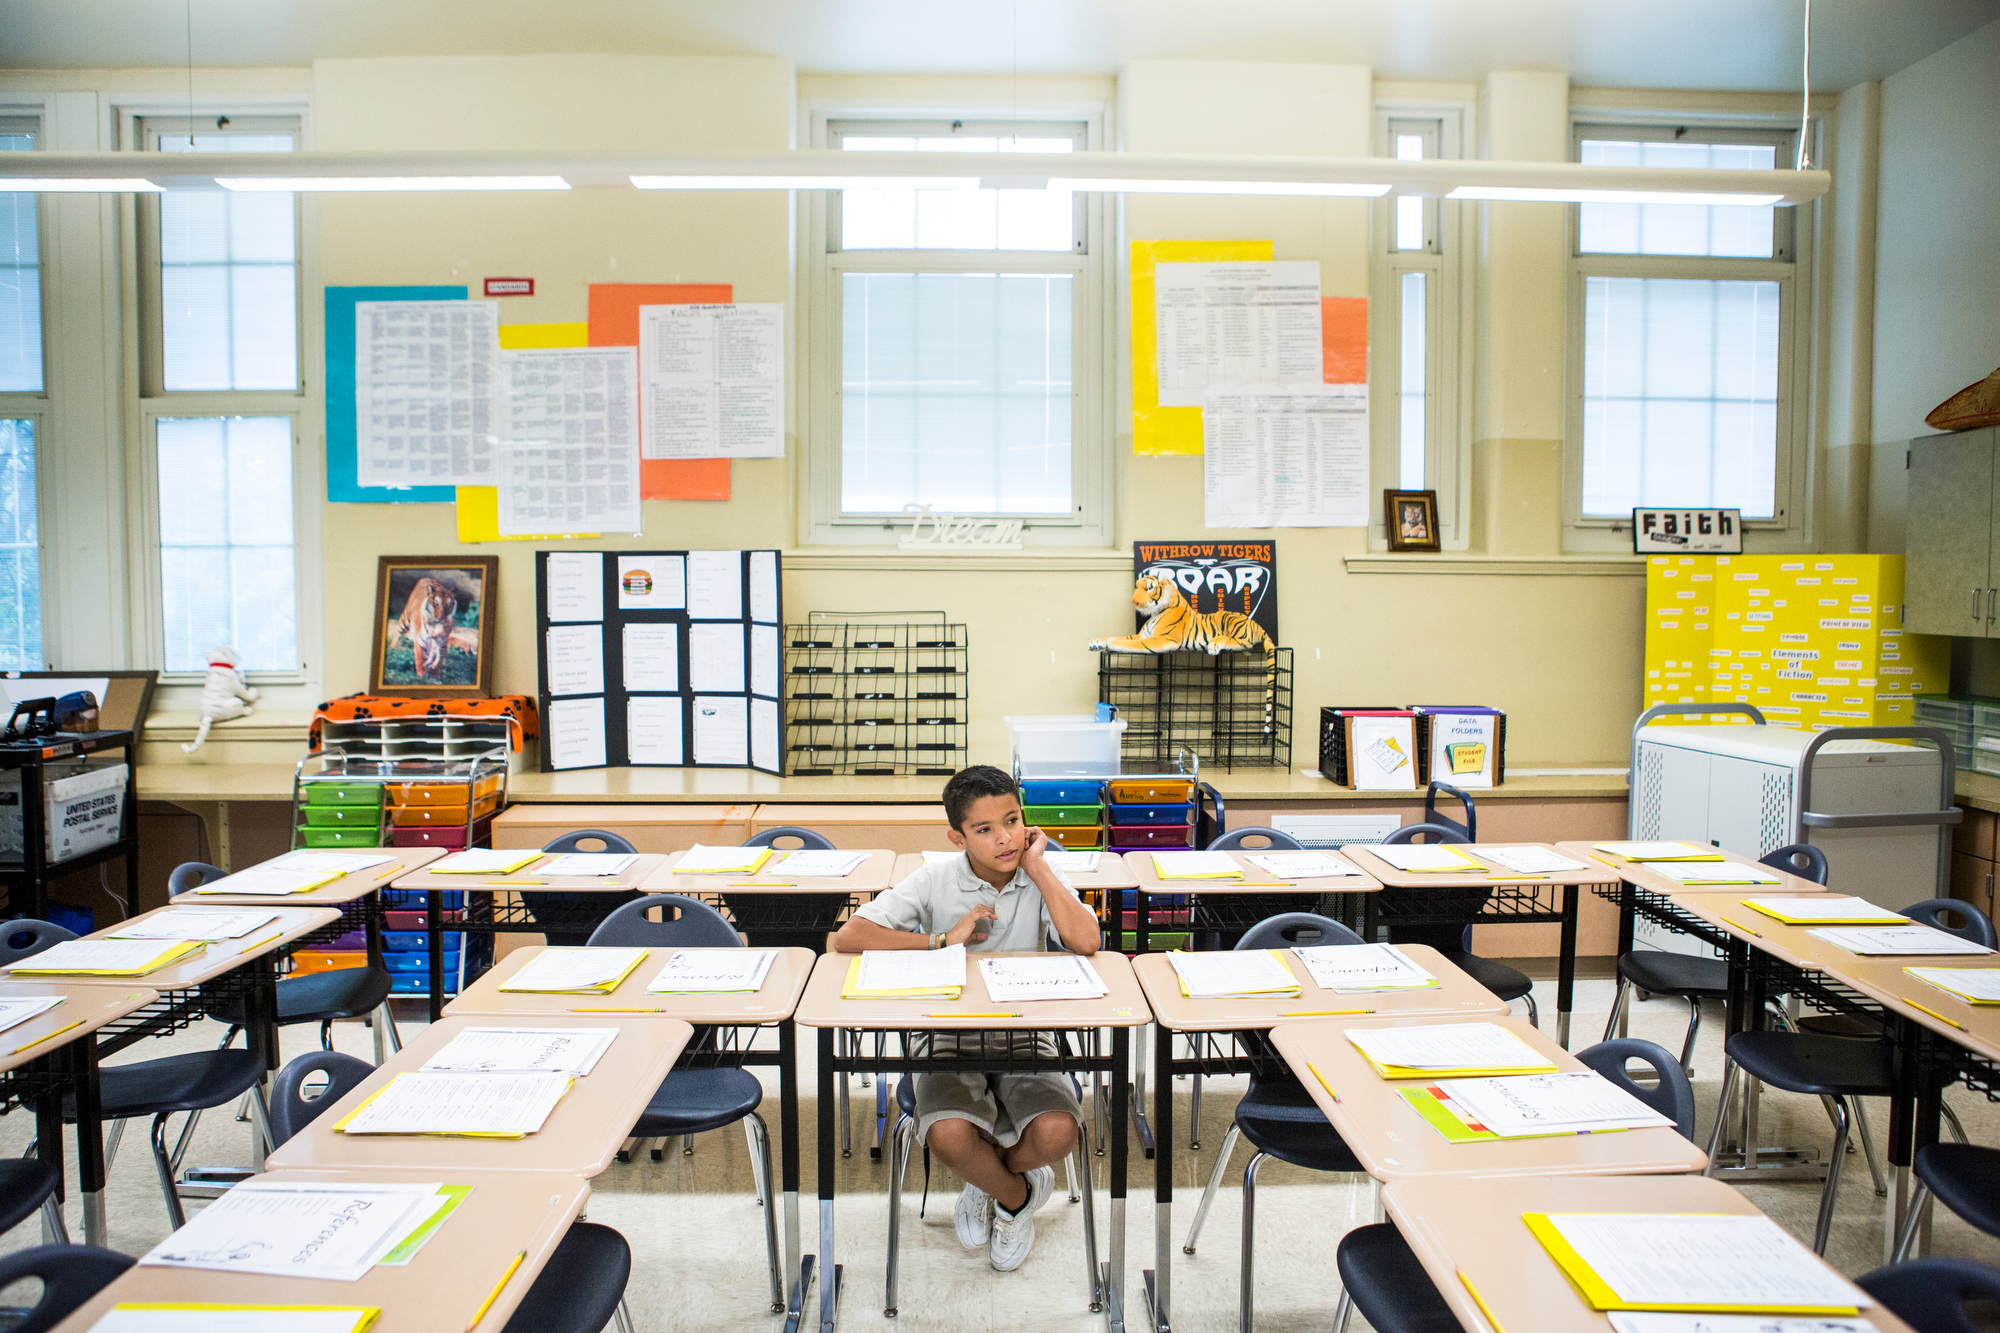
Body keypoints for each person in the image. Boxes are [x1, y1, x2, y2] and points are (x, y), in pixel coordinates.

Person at [831, 764, 1102, 1272]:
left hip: (1024, 1032)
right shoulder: (935, 879)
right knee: (949, 1135)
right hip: (947, 1034)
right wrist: (939, 940)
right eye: (985, 829)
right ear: (958, 836)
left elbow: (1088, 942)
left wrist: (1040, 869)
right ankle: (1014, 1194)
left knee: (1059, 1132)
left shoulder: (1040, 872)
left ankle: (992, 1180)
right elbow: (847, 939)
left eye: (1014, 821)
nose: (1006, 838)